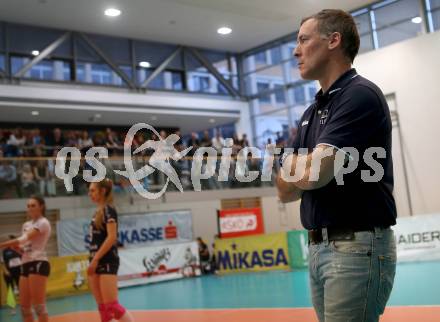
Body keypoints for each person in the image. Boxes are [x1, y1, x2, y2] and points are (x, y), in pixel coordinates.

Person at [276, 9, 397, 322]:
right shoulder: (310, 113)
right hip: (318, 247)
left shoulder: (360, 96)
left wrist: (301, 163)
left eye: (304, 39)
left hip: (354, 245)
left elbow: (312, 174)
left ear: (333, 40)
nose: (295, 50)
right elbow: (285, 190)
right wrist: (307, 163)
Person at [87, 178, 134, 322]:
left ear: (103, 191)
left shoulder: (109, 210)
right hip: (95, 260)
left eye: (93, 190)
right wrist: (92, 259)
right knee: (103, 309)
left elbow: (112, 237)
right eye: (89, 191)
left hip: (107, 260)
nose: (90, 194)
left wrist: (95, 260)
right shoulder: (97, 212)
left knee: (112, 305)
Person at [0, 195, 52, 322]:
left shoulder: (43, 222)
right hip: (25, 263)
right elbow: (23, 246)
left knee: (39, 307)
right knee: (24, 307)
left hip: (39, 262)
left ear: (41, 207)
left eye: (33, 205)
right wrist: (16, 248)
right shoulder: (26, 224)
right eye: (28, 206)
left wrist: (2, 244)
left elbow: (23, 239)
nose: (30, 208)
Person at [1, 235, 22, 315]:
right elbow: (2, 262)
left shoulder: (19, 249)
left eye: (13, 241)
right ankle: (12, 308)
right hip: (8, 272)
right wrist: (5, 271)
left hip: (19, 271)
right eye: (10, 241)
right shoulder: (4, 251)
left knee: (22, 290)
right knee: (10, 290)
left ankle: (24, 306)